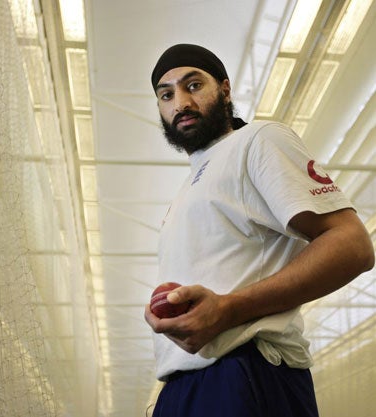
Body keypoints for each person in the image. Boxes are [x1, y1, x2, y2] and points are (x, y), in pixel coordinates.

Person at [144, 44, 375, 417]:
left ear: (225, 89)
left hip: (247, 372)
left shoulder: (259, 140)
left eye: (193, 85)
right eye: (166, 94)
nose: (180, 103)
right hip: (182, 385)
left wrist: (229, 308)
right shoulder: (185, 191)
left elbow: (352, 245)